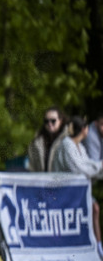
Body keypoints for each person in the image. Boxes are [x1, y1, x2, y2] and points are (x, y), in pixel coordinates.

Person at [51, 115, 103, 248]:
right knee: (93, 208)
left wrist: (98, 169)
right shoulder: (67, 145)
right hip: (65, 190)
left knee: (95, 209)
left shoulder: (79, 146)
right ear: (84, 129)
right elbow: (79, 169)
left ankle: (98, 246)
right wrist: (100, 166)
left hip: (76, 190)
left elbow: (87, 164)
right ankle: (93, 246)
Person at [27, 106, 68, 172]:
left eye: (53, 121)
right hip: (41, 180)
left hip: (61, 180)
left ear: (60, 121)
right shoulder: (37, 141)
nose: (49, 124)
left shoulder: (68, 139)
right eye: (46, 121)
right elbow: (32, 166)